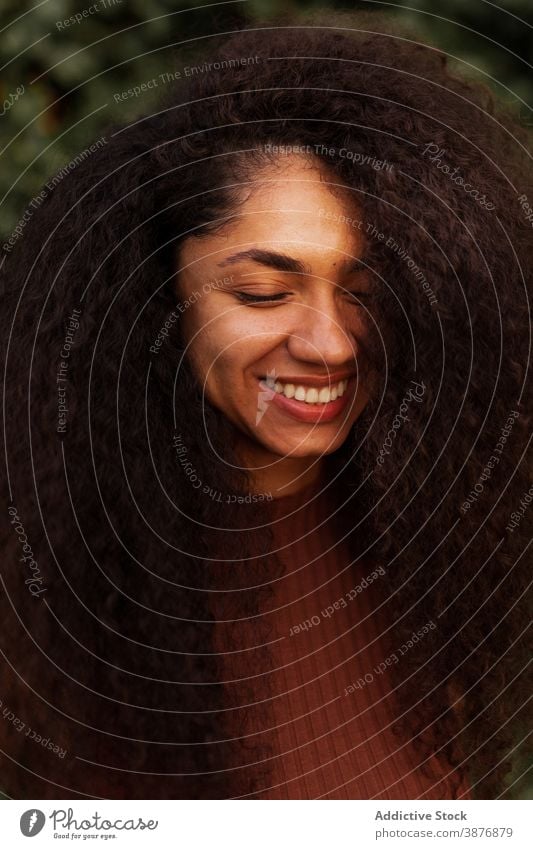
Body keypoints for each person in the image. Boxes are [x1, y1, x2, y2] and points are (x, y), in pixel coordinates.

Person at [0, 11, 531, 800]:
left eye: (365, 292)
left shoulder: (431, 540)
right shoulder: (41, 581)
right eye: (263, 291)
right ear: (159, 292)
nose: (328, 343)